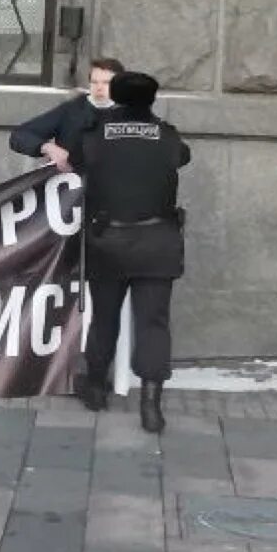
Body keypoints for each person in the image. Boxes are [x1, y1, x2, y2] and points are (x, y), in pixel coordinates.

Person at [71, 71, 190, 433]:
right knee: (153, 323)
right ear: (152, 100)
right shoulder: (168, 137)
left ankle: (95, 388)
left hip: (109, 241)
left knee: (104, 317)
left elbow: (79, 160)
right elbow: (182, 157)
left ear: (116, 98)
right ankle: (151, 405)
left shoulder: (94, 136)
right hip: (158, 242)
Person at [9, 58, 124, 172]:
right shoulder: (72, 110)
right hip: (73, 183)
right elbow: (20, 135)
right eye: (94, 82)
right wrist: (47, 147)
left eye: (106, 83)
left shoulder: (133, 111)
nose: (99, 88)